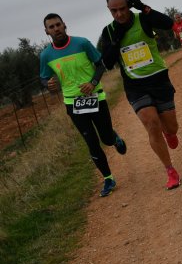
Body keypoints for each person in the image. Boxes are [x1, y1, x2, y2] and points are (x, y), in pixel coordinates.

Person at [100, 0, 182, 189]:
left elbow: (167, 24)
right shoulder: (109, 31)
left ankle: (169, 133)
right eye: (113, 11)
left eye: (122, 8)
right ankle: (170, 170)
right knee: (151, 124)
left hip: (159, 79)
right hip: (135, 85)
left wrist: (145, 8)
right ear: (109, 9)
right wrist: (116, 39)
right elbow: (108, 63)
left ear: (128, 5)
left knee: (171, 126)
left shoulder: (142, 18)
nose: (119, 14)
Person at [40, 13, 127, 197]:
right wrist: (48, 85)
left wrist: (92, 83)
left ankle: (114, 138)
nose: (56, 29)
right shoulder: (46, 55)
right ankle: (108, 179)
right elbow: (44, 77)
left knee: (106, 139)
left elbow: (101, 65)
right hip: (73, 103)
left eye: (58, 25)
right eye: (51, 27)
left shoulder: (82, 43)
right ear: (47, 31)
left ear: (65, 25)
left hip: (95, 97)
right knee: (91, 142)